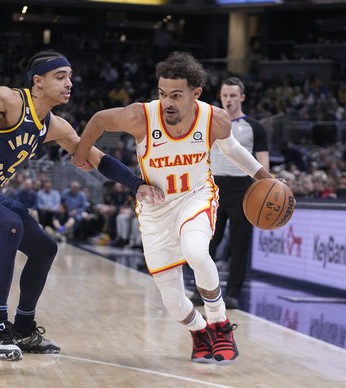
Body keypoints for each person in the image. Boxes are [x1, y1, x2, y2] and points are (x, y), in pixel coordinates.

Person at [0, 50, 164, 361]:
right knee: (10, 225)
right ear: (37, 81)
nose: (69, 83)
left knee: (45, 249)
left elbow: (93, 156)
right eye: (60, 77)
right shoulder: (11, 100)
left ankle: (23, 328)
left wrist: (137, 185)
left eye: (70, 77)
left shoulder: (55, 126)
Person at [73, 51, 275, 365]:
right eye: (163, 93)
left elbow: (232, 148)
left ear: (196, 94)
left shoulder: (214, 118)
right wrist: (80, 154)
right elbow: (99, 120)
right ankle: (199, 331)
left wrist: (263, 176)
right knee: (172, 300)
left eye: (176, 95)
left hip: (196, 197)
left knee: (196, 250)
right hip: (155, 209)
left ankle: (220, 325)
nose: (167, 101)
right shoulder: (141, 116)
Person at [206, 76, 270, 310]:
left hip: (244, 188)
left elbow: (262, 159)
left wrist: (266, 184)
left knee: (239, 244)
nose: (229, 100)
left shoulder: (255, 126)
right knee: (207, 243)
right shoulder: (210, 123)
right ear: (220, 97)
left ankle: (233, 294)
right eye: (225, 95)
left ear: (242, 97)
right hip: (214, 187)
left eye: (233, 95)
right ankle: (205, 291)